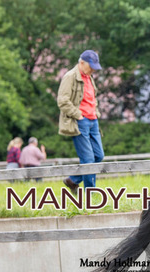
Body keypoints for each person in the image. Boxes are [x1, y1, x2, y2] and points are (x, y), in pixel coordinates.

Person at [57, 50, 104, 192]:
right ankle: (91, 193)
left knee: (98, 156)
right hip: (80, 122)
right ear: (82, 62)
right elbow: (62, 101)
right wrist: (78, 115)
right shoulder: (70, 76)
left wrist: (95, 113)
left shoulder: (89, 77)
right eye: (91, 67)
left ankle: (73, 180)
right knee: (88, 159)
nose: (93, 70)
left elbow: (92, 98)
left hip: (93, 120)